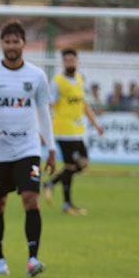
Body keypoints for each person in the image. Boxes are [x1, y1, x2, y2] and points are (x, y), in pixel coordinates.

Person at [0, 19, 56, 277]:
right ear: (2, 44)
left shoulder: (37, 76)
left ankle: (33, 259)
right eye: (7, 41)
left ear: (23, 44)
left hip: (28, 148)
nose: (11, 46)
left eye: (15, 41)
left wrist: (50, 148)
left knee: (31, 199)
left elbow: (44, 112)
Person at [44, 48, 104, 215]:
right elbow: (48, 105)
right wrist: (45, 129)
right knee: (70, 166)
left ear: (77, 62)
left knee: (82, 163)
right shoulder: (57, 82)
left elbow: (84, 104)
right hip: (63, 130)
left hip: (78, 130)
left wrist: (95, 124)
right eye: (67, 61)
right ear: (63, 63)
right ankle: (67, 204)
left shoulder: (79, 79)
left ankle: (51, 184)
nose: (70, 63)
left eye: (72, 60)